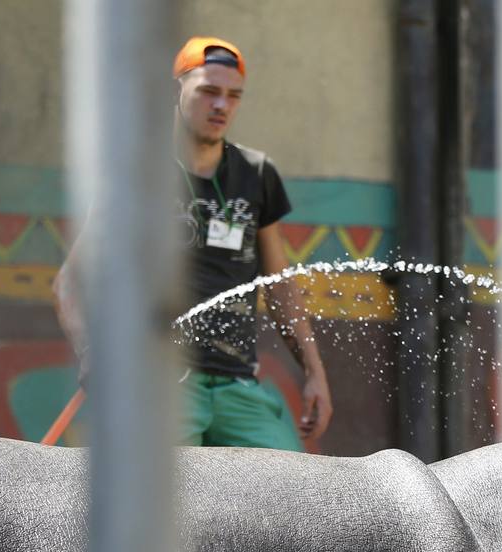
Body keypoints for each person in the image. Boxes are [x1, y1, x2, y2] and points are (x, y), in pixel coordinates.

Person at [55, 36, 332, 450]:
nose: (221, 106)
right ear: (175, 90)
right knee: (173, 505)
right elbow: (69, 283)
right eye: (208, 92)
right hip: (162, 384)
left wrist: (314, 373)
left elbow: (279, 287)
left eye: (233, 96)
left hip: (238, 384)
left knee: (299, 495)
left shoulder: (256, 175)